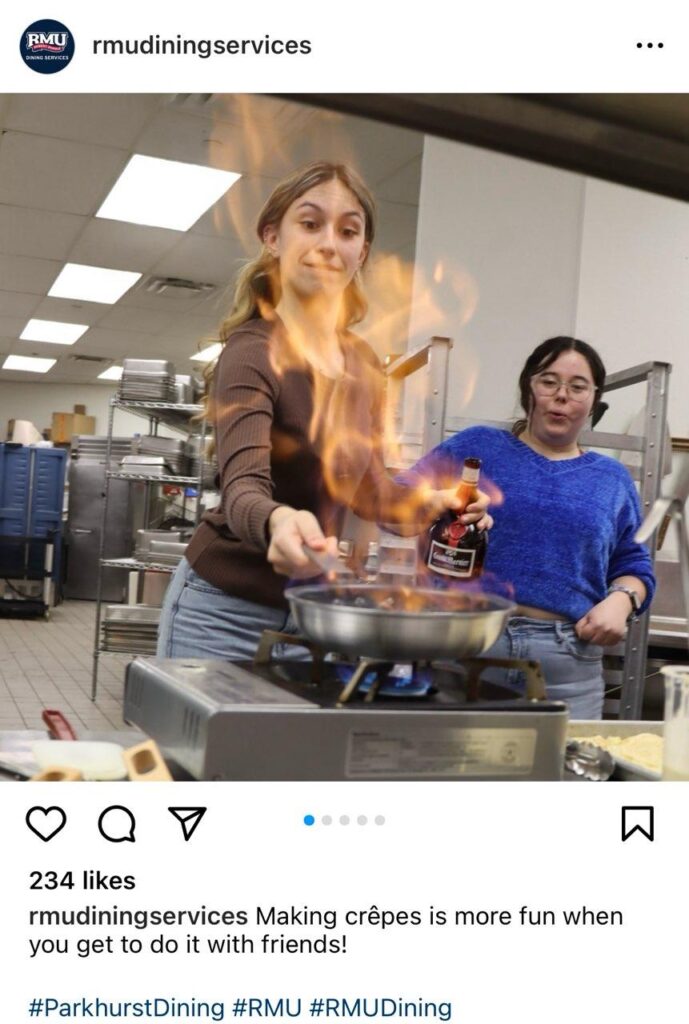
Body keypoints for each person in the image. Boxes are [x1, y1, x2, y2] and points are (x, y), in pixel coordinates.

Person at [157, 161, 490, 661]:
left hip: (313, 615)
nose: (329, 244)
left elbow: (371, 492)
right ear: (273, 236)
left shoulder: (362, 365)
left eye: (348, 231)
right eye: (310, 224)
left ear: (363, 252)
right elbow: (243, 490)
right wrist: (279, 521)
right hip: (223, 612)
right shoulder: (252, 351)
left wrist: (435, 502)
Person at [400, 336, 656, 719]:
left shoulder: (612, 479)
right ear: (528, 389)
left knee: (561, 775)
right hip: (465, 645)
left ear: (593, 401)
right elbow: (394, 498)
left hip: (567, 663)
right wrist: (438, 500)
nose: (561, 395)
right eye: (548, 381)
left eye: (577, 386)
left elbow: (634, 566)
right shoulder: (477, 448)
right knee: (451, 773)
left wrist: (622, 601)